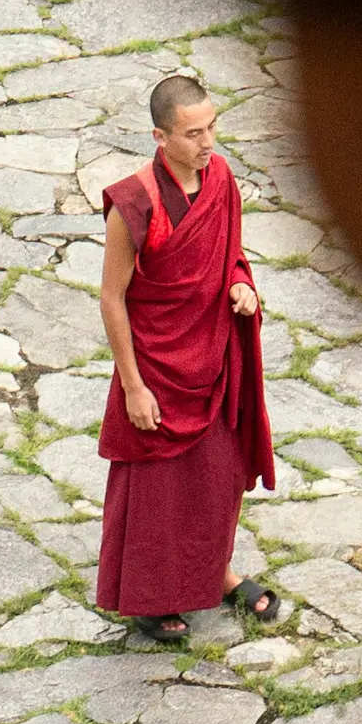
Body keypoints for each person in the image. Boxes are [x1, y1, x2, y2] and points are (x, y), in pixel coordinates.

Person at [96, 72, 280, 647]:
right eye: (194, 133)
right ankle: (153, 599)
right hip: (157, 366)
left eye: (213, 127)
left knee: (217, 479)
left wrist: (243, 286)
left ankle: (216, 572)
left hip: (213, 356)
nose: (209, 144)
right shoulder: (132, 205)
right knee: (157, 489)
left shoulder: (220, 179)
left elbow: (231, 256)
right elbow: (111, 298)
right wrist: (133, 387)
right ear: (160, 136)